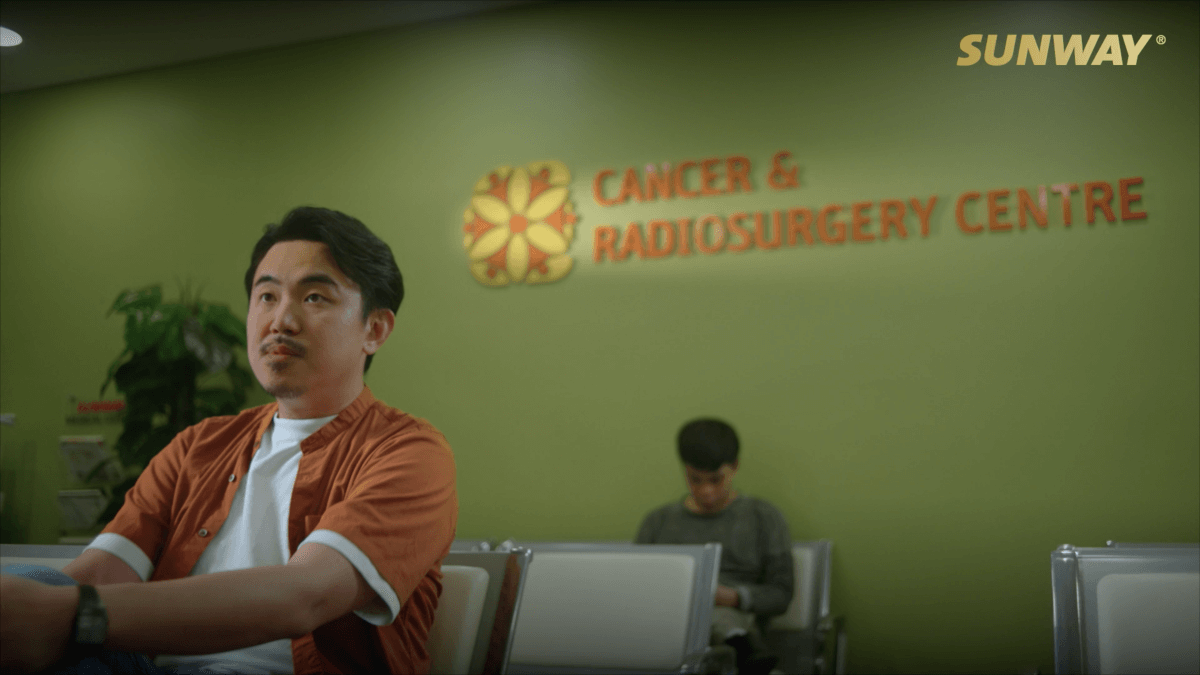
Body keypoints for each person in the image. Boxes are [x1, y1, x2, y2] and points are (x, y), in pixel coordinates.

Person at [0, 206, 457, 675]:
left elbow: (306, 595)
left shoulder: (408, 452)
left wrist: (76, 616)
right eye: (266, 297)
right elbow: (98, 574)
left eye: (315, 297)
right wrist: (33, 604)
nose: (281, 320)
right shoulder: (200, 445)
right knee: (31, 583)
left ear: (374, 329)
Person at [635, 418, 793, 675]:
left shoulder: (764, 517)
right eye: (695, 480)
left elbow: (782, 593)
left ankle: (740, 647)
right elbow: (636, 587)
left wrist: (732, 597)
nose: (706, 491)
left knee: (719, 615)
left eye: (716, 480)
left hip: (733, 614)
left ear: (735, 467)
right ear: (685, 470)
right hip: (669, 621)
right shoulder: (657, 522)